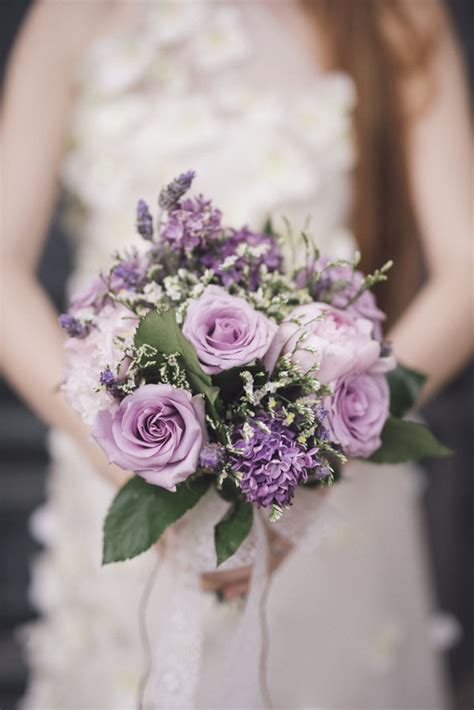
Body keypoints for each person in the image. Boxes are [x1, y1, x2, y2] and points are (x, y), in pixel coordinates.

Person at [2, 0, 472, 707]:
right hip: (125, 476)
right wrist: (133, 464)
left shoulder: (396, 13)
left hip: (331, 485)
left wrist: (313, 463)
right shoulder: (72, 15)